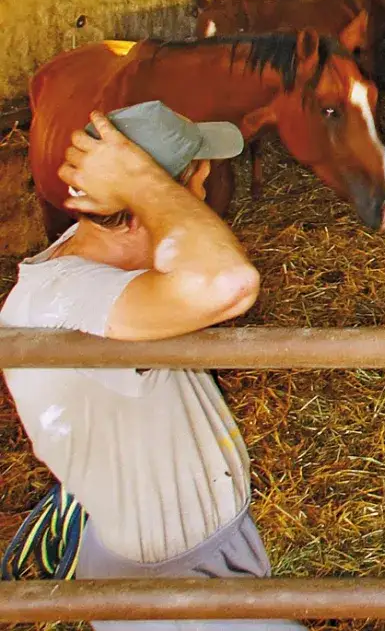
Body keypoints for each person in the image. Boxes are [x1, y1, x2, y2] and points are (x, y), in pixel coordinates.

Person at [0, 100, 305, 631]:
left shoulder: (98, 255)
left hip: (190, 552)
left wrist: (138, 192)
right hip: (167, 586)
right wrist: (146, 183)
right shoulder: (63, 300)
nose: (205, 197)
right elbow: (230, 285)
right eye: (197, 183)